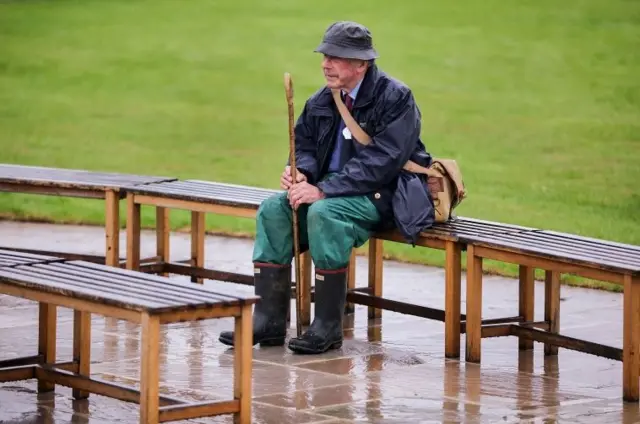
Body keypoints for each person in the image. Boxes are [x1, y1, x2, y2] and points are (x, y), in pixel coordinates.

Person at [219, 20, 432, 354]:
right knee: (274, 209)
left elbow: (384, 160)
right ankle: (269, 321)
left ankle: (328, 328)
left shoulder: (395, 97)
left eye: (336, 57)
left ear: (362, 64)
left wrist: (325, 191)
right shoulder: (323, 99)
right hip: (331, 193)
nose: (325, 63)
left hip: (381, 196)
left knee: (324, 212)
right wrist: (300, 171)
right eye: (325, 55)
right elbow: (303, 142)